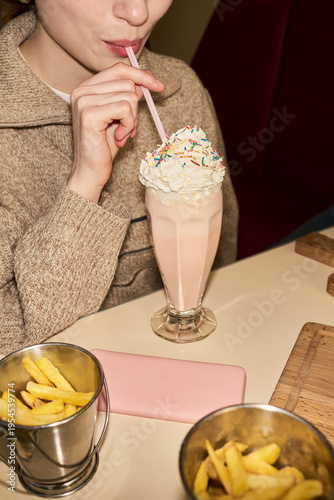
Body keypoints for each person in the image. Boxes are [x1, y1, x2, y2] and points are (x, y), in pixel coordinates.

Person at [0, 0, 239, 355]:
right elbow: (12, 351)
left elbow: (223, 263)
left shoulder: (181, 94)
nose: (139, 13)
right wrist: (84, 186)